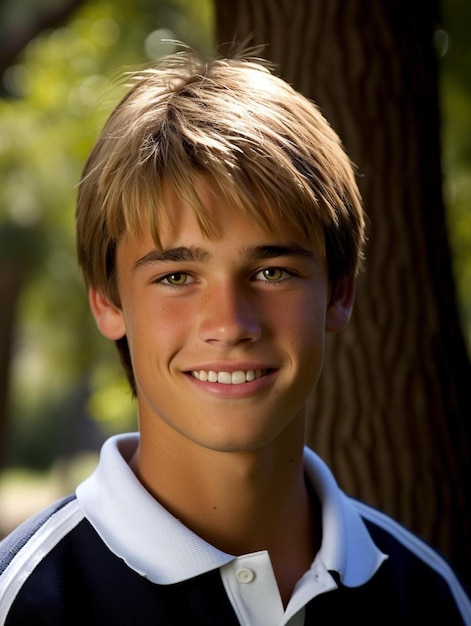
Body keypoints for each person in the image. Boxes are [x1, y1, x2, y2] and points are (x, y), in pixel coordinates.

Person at [0, 48, 470, 626]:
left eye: (272, 272)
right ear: (108, 301)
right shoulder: (23, 604)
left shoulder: (430, 598)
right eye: (176, 276)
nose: (229, 324)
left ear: (340, 292)